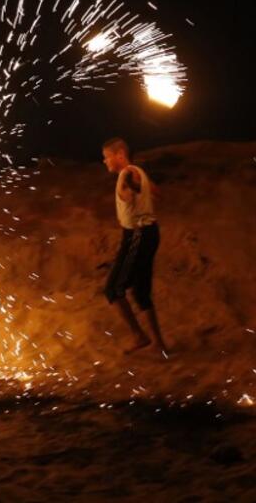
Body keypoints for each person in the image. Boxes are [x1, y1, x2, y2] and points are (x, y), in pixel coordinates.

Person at [101, 137, 168, 354]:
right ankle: (159, 343)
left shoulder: (128, 174)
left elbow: (129, 193)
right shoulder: (138, 172)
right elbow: (157, 192)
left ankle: (139, 336)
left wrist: (130, 191)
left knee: (113, 289)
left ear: (120, 154)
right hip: (150, 232)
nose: (105, 161)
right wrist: (142, 194)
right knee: (141, 291)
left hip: (137, 235)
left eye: (107, 157)